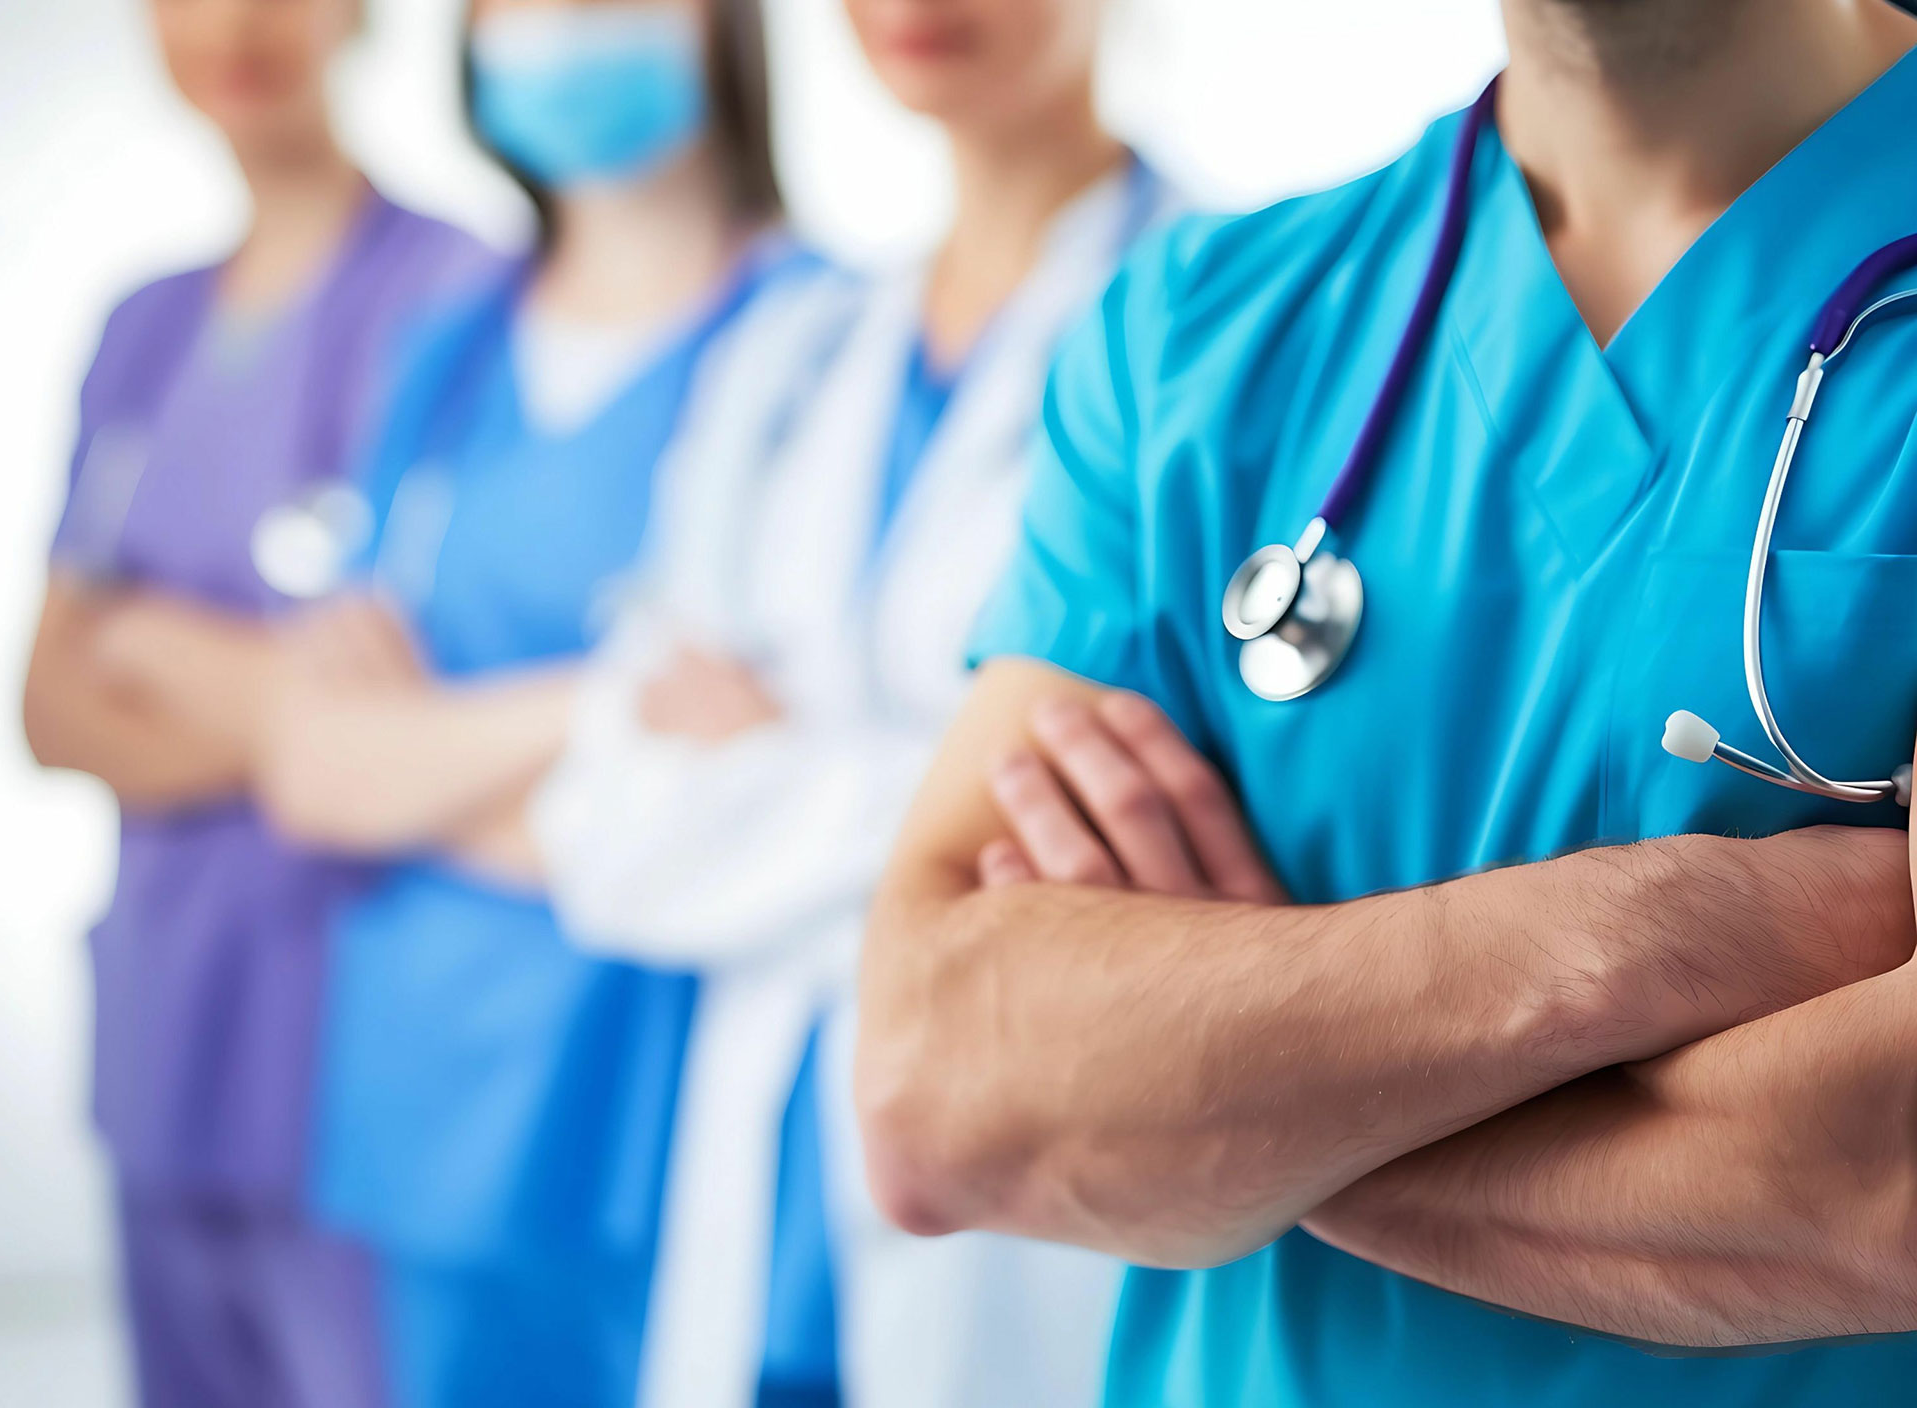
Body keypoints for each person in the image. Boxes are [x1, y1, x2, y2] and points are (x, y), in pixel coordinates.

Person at [857, 1, 1917, 1405]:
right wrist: (1643, 944)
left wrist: (1211, 1104)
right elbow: (941, 1087)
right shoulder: (1196, 334)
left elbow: (1885, 1180)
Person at [525, 0, 1170, 1403]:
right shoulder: (792, 353)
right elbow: (607, 811)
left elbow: (1160, 862)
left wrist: (765, 767)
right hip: (766, 1199)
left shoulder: (1228, 324)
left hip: (1041, 1203)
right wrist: (950, 805)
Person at [248, 2, 853, 1405]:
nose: (567, 21)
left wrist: (429, 761)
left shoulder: (823, 343)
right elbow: (318, 768)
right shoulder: (441, 355)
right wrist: (614, 702)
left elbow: (793, 797)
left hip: (664, 1091)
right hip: (427, 1099)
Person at [20, 2, 493, 1405]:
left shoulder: (458, 295)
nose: (234, 22)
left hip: (354, 1045)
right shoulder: (142, 328)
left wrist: (147, 633)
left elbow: (415, 718)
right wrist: (286, 704)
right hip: (166, 1036)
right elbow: (46, 705)